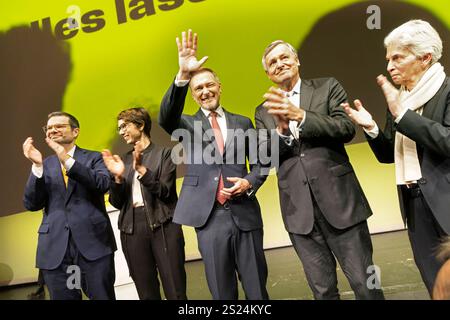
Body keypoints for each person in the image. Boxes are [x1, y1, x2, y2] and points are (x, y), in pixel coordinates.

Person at [255, 40, 384, 300]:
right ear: (268, 74)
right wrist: (280, 132)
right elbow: (264, 157)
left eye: (284, 58)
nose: (279, 64)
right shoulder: (263, 112)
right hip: (300, 215)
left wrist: (301, 116)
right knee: (323, 292)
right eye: (272, 63)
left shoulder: (326, 87)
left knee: (365, 285)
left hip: (341, 205)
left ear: (297, 60)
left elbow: (346, 129)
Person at [159, 30, 269, 300]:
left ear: (220, 87)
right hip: (209, 218)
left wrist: (249, 182)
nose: (205, 91)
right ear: (193, 95)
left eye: (210, 85)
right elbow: (165, 115)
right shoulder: (185, 123)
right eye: (199, 89)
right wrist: (182, 77)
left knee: (257, 289)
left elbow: (260, 165)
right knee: (222, 292)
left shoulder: (243, 122)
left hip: (245, 213)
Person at [343, 19, 450, 296]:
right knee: (433, 278)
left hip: (446, 197)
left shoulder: (447, 91)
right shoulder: (400, 98)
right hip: (413, 201)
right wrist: (370, 127)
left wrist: (403, 116)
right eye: (388, 59)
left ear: (425, 57)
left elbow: (447, 141)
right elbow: (389, 154)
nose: (389, 66)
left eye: (397, 58)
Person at [23, 111, 117, 300]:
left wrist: (65, 159)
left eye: (59, 126)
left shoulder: (94, 158)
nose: (53, 130)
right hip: (56, 248)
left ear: (75, 132)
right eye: (49, 128)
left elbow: (103, 184)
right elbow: (32, 203)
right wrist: (37, 167)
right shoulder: (45, 164)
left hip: (93, 244)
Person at [102, 107, 187, 300]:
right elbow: (116, 202)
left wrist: (141, 169)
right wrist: (117, 179)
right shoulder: (122, 160)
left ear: (140, 125)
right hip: (132, 229)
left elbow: (165, 192)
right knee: (146, 291)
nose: (122, 132)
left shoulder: (165, 154)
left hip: (164, 224)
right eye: (119, 128)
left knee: (175, 289)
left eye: (125, 126)